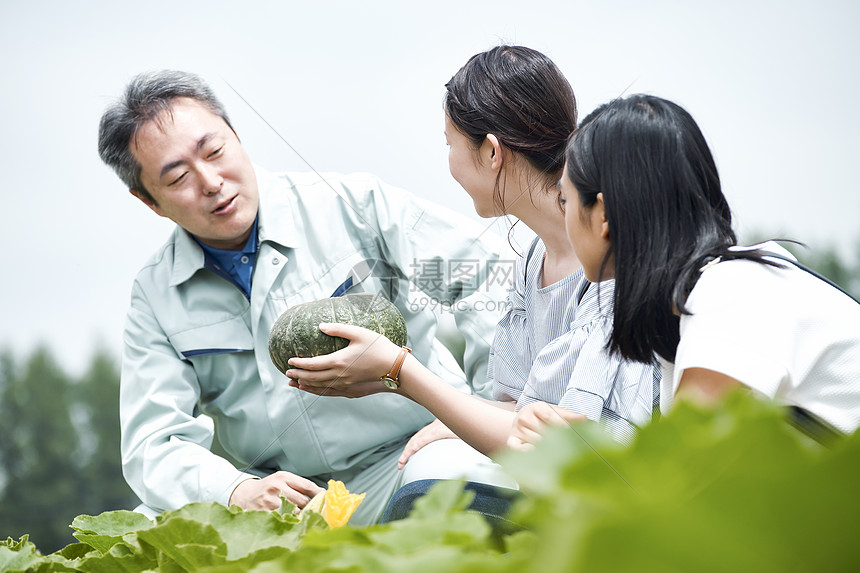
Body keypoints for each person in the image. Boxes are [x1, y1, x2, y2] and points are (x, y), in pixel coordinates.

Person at [97, 70, 511, 524]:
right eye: (178, 177)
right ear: (149, 201)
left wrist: (486, 408)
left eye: (215, 151)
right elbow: (153, 443)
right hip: (284, 496)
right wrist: (236, 489)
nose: (211, 181)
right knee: (146, 524)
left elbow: (482, 272)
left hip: (409, 456)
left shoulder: (350, 203)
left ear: (236, 135)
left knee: (451, 474)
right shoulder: (156, 294)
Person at [288, 46, 659, 471]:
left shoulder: (610, 263)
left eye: (451, 144)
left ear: (491, 152)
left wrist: (398, 371)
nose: (449, 162)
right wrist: (457, 418)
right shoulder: (532, 259)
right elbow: (525, 411)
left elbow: (565, 446)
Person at [558, 94, 860, 434]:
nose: (563, 215)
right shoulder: (710, 300)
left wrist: (569, 455)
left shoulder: (729, 295)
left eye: (564, 199)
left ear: (603, 215)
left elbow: (681, 477)